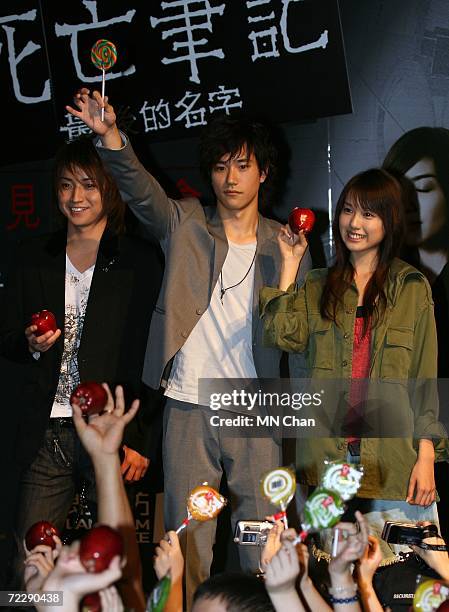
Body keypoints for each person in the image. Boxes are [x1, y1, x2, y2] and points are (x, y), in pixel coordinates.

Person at [66, 89, 311, 607]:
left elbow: (296, 337)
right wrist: (110, 136)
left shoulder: (284, 244)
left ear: (263, 172)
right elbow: (138, 189)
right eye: (221, 167)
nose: (230, 178)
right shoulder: (186, 223)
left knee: (261, 541)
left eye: (242, 166)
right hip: (187, 405)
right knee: (187, 541)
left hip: (254, 410)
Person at [260, 168, 447, 561]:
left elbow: (424, 380)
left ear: (389, 220)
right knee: (337, 582)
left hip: (396, 461)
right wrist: (289, 264)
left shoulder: (412, 287)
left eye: (368, 214)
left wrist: (427, 456)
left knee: (408, 584)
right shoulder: (316, 283)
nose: (354, 223)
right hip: (330, 463)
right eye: (347, 210)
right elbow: (281, 335)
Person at [0, 137, 162, 585]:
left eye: (89, 185)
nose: (76, 197)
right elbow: (7, 337)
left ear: (109, 188)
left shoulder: (139, 261)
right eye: (66, 185)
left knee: (115, 563)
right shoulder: (32, 256)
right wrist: (31, 343)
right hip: (44, 432)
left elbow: (151, 354)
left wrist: (140, 437)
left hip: (109, 431)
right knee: (29, 564)